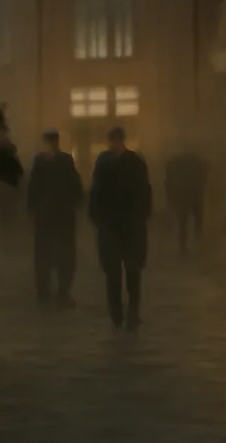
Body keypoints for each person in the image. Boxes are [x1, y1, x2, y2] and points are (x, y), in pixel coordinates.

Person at [88, 126, 152, 331]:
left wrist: (142, 215)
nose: (113, 145)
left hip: (130, 224)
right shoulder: (105, 162)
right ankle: (117, 313)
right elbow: (96, 190)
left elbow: (144, 191)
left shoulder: (134, 162)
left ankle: (132, 312)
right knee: (113, 272)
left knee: (133, 271)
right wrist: (96, 216)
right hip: (112, 225)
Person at [26, 129, 84, 309]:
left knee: (59, 255)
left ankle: (58, 292)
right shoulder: (50, 161)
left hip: (58, 215)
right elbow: (34, 188)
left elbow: (33, 189)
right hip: (54, 216)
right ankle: (49, 292)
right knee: (50, 255)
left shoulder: (58, 161)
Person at [165, 147, 209, 257]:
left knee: (183, 222)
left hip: (182, 196)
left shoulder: (174, 162)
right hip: (193, 194)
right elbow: (203, 177)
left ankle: (184, 247)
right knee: (197, 219)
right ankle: (197, 242)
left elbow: (168, 181)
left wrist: (171, 197)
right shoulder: (197, 161)